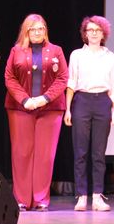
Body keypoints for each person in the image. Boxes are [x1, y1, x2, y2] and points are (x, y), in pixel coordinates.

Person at [4, 14, 68, 212]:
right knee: (21, 153)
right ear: (26, 31)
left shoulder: (56, 50)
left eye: (41, 28)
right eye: (33, 29)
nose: (37, 32)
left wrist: (44, 98)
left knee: (45, 155)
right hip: (20, 108)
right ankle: (21, 199)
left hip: (50, 109)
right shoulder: (16, 50)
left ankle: (41, 199)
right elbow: (9, 78)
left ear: (45, 30)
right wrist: (25, 100)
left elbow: (63, 77)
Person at [64, 15, 114, 212]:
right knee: (80, 152)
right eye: (90, 30)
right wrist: (68, 109)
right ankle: (81, 196)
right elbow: (71, 82)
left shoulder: (110, 56)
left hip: (103, 102)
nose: (94, 33)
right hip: (82, 101)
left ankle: (97, 196)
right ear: (85, 34)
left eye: (98, 30)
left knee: (98, 153)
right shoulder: (76, 55)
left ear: (103, 33)